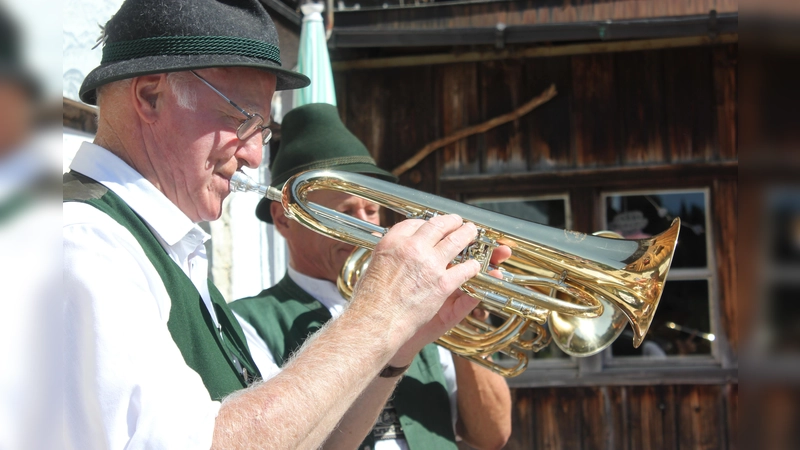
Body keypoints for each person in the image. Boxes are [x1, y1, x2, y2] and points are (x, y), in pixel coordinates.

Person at [62, 0, 511, 449]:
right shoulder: (82, 240)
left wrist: (399, 344)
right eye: (242, 119)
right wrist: (379, 314)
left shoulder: (164, 251)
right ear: (149, 96)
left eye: (263, 129)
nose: (255, 156)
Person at [231, 103, 512, 450]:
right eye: (345, 212)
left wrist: (465, 324)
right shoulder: (247, 322)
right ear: (284, 219)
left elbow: (491, 435)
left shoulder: (422, 295)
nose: (367, 227)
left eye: (372, 210)